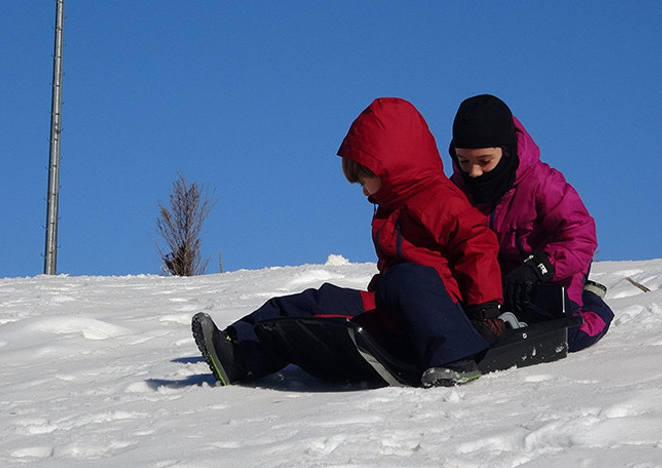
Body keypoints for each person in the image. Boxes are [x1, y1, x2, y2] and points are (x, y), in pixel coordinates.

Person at [192, 97, 504, 388]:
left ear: (391, 167)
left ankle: (456, 358)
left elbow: (477, 245)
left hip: (441, 313)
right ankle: (239, 353)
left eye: (365, 179)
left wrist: (484, 312)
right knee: (315, 303)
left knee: (405, 278)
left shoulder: (440, 199)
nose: (364, 190)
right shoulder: (390, 207)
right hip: (395, 306)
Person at [448, 94, 614, 352]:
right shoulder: (455, 191)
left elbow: (580, 236)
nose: (474, 172)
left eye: (484, 161)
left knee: (564, 336)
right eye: (464, 161)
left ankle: (592, 301)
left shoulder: (542, 183)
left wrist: (539, 268)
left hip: (551, 271)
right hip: (495, 282)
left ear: (506, 151)